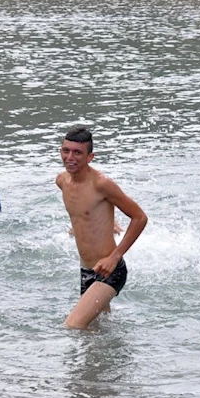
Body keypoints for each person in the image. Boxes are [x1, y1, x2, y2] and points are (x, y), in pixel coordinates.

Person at [57, 127, 147, 330]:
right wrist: (104, 222)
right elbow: (85, 210)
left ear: (90, 157)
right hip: (87, 270)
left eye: (77, 152)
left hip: (110, 271)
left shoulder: (102, 184)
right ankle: (111, 362)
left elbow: (139, 217)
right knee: (97, 333)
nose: (70, 157)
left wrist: (114, 257)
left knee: (73, 326)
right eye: (66, 150)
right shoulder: (62, 181)